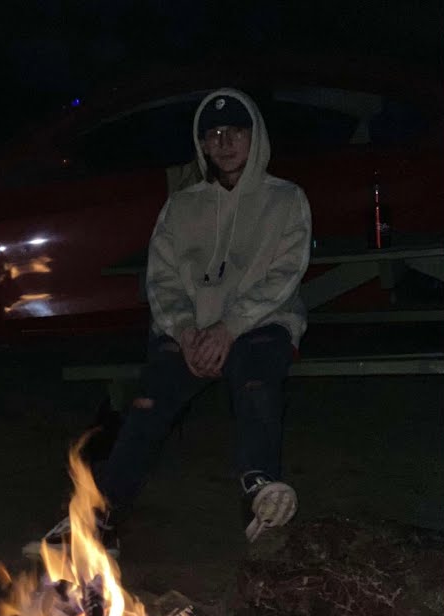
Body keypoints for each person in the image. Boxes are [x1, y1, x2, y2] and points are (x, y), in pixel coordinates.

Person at [25, 88, 312, 558]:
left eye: (235, 132)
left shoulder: (286, 200)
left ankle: (259, 491)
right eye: (213, 134)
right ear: (202, 144)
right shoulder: (181, 207)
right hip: (190, 331)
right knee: (148, 402)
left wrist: (229, 328)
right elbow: (160, 279)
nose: (224, 143)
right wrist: (185, 330)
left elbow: (285, 274)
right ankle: (101, 519)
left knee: (256, 381)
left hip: (260, 323)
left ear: (255, 136)